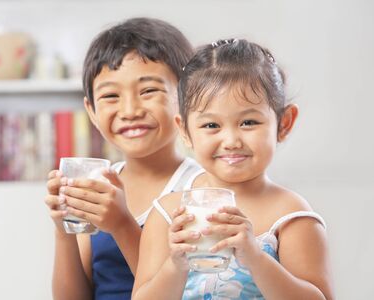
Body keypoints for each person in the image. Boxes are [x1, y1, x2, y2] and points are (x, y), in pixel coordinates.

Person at [132, 38, 334, 299]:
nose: (231, 141)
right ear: (184, 131)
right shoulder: (169, 213)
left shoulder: (290, 215)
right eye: (211, 126)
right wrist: (175, 263)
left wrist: (255, 257)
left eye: (248, 122)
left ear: (284, 123)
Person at [43, 17, 201, 300]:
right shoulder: (98, 185)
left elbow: (186, 293)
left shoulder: (200, 189)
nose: (129, 110)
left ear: (188, 96)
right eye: (111, 96)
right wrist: (63, 230)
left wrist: (121, 225)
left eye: (149, 91)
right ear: (91, 111)